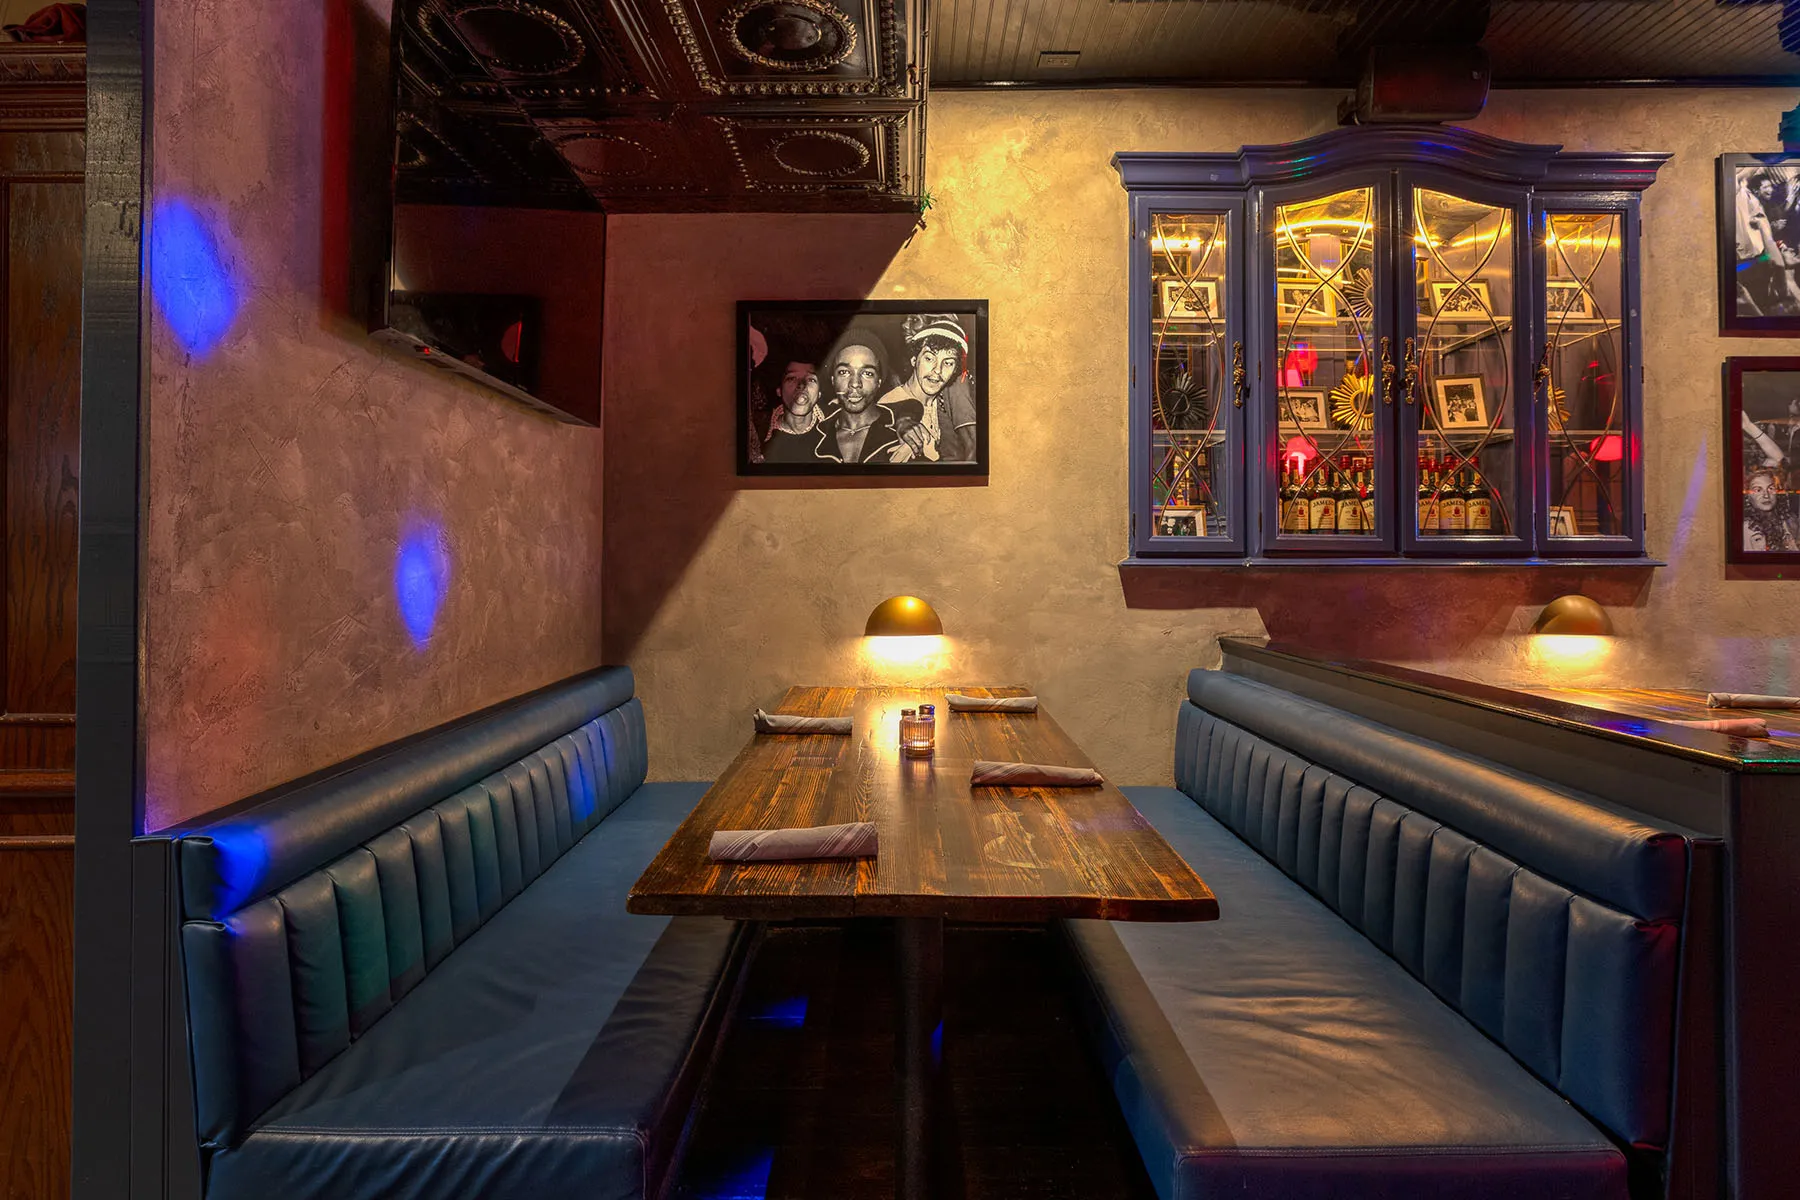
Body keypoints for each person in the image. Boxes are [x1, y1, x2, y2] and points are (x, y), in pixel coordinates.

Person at [879, 313, 978, 464]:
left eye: (948, 363)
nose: (937, 370)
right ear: (914, 359)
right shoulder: (889, 404)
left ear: (955, 371)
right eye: (929, 358)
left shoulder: (941, 401)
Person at [805, 327, 903, 464]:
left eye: (867, 373)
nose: (855, 383)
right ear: (833, 379)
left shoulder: (901, 436)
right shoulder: (814, 438)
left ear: (879, 381)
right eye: (844, 372)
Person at [760, 359, 824, 463]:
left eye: (811, 379)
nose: (802, 385)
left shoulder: (835, 427)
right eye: (792, 378)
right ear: (779, 391)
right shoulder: (759, 435)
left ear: (819, 393)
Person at [1743, 467, 1799, 552]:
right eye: (1758, 490)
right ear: (1748, 496)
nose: (1766, 495)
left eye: (1770, 488)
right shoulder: (1745, 530)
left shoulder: (1789, 522)